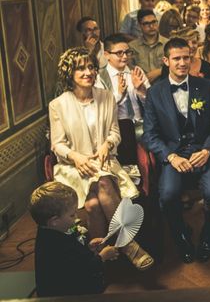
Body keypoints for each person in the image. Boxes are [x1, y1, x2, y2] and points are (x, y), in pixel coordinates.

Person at [49, 48, 154, 269]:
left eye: (91, 67)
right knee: (96, 196)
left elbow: (115, 132)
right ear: (70, 72)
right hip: (72, 167)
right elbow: (57, 144)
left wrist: (108, 144)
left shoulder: (106, 97)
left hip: (104, 162)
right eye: (80, 68)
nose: (88, 72)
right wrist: (76, 157)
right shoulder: (58, 104)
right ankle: (128, 245)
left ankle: (99, 260)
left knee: (96, 198)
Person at [142, 38, 210, 263]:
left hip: (204, 150)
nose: (182, 63)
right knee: (168, 195)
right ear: (166, 60)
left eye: (186, 57)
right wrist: (170, 156)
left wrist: (208, 149)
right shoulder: (155, 93)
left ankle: (208, 234)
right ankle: (181, 234)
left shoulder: (207, 87)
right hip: (173, 154)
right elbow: (149, 134)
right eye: (177, 58)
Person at [29, 182, 119, 297]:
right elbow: (84, 269)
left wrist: (89, 248)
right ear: (54, 221)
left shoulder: (50, 233)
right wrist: (103, 256)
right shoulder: (55, 245)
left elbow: (74, 259)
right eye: (72, 215)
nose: (76, 217)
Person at [96, 33, 149, 128]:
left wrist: (142, 92)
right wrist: (119, 95)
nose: (125, 57)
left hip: (141, 124)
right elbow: (100, 109)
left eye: (127, 52)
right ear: (107, 55)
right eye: (119, 53)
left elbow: (151, 104)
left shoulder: (136, 71)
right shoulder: (99, 77)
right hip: (115, 128)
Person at [129, 9, 167, 84]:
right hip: (142, 87)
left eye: (154, 22)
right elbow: (129, 69)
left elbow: (175, 66)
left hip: (165, 86)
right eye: (146, 23)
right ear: (140, 26)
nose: (151, 26)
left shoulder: (167, 43)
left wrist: (160, 71)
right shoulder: (132, 46)